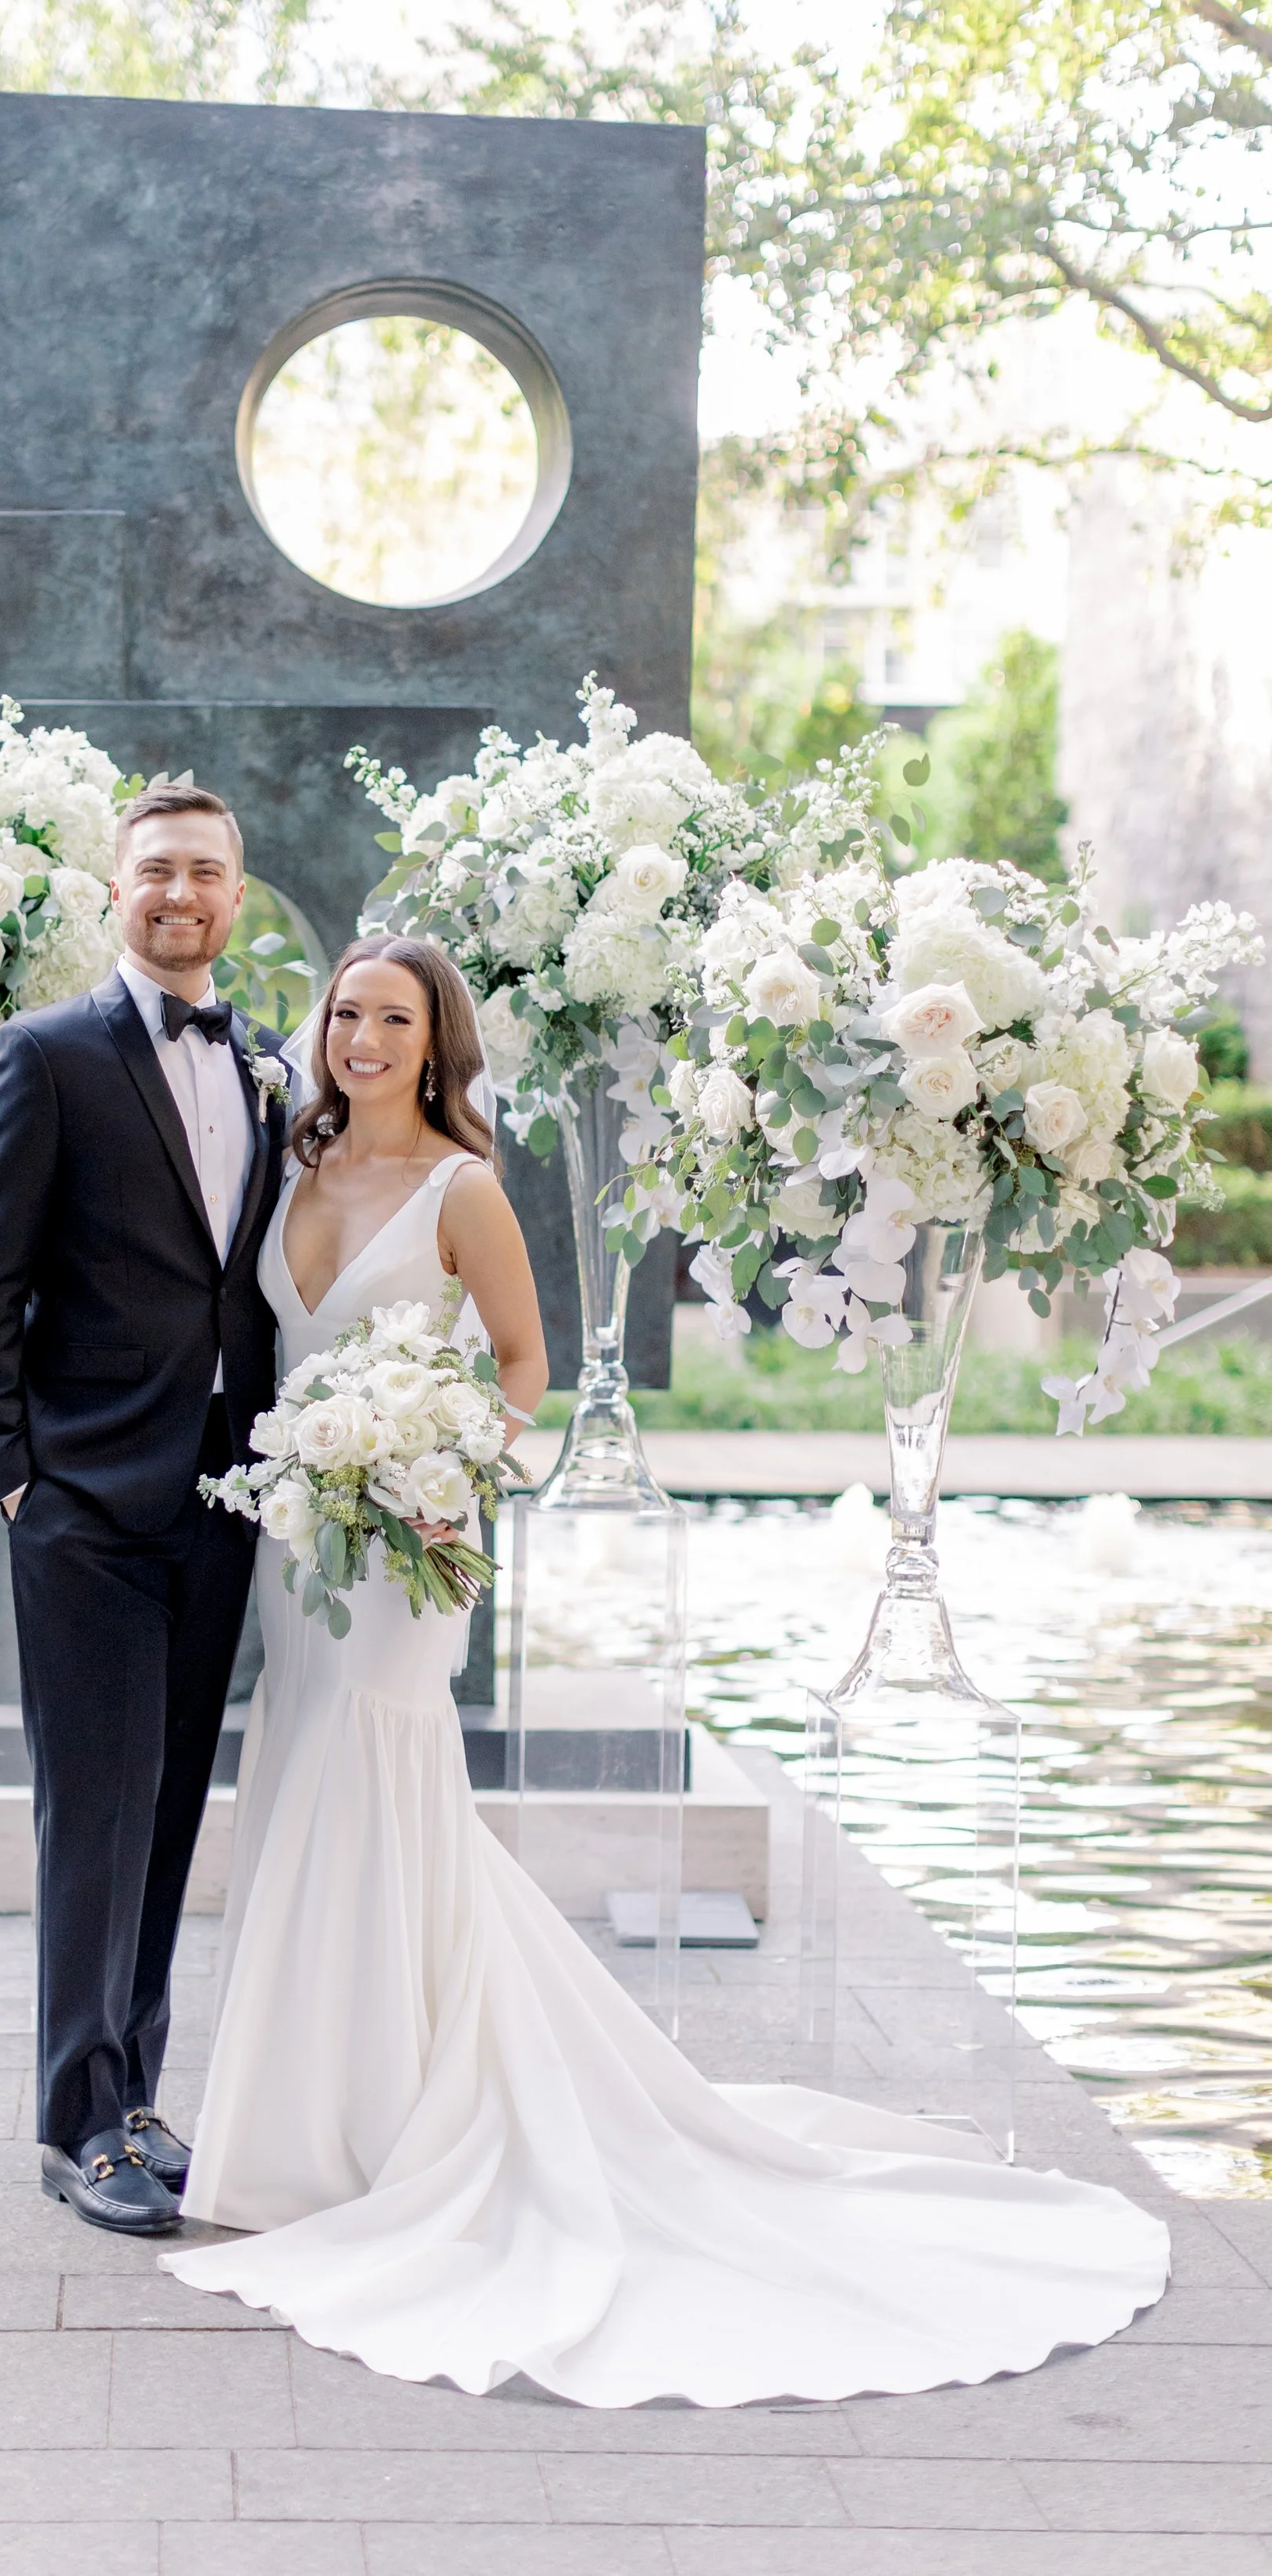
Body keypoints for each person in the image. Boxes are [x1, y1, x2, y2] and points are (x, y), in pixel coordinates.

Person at [163, 930, 1171, 2405]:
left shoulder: (466, 1189)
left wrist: (440, 1468)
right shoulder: (298, 1164)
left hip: (406, 1536)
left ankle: (375, 2133)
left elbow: (523, 1367)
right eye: (344, 1015)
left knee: (371, 1769)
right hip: (302, 1533)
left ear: (435, 1043)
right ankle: (302, 2123)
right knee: (308, 1773)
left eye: (390, 1019)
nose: (360, 1039)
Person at [0, 781, 286, 2236]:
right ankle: (79, 2123)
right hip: (80, 1500)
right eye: (156, 872)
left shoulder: (264, 1063)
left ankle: (134, 2097)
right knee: (94, 1815)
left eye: (206, 872)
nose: (180, 894)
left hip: (222, 1494)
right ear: (115, 889)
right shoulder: (44, 1056)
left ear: (236, 898)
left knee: (169, 1812)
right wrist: (9, 1475)